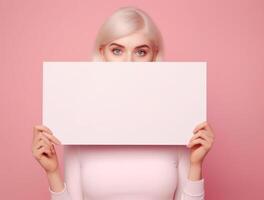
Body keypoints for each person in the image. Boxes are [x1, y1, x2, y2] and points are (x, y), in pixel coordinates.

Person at [32, 6, 214, 200]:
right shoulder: (80, 125)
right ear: (103, 54)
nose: (128, 62)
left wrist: (196, 165)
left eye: (141, 52)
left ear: (154, 56)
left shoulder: (176, 122)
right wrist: (52, 172)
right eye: (117, 50)